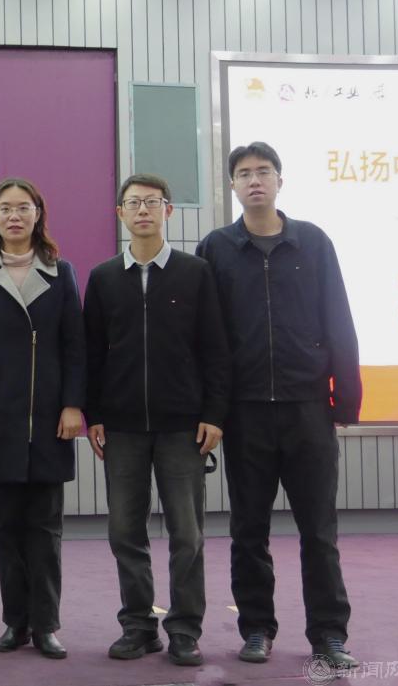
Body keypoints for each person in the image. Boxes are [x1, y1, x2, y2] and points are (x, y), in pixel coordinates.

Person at [196, 141, 361, 669]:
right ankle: (256, 629)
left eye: (263, 171)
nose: (255, 180)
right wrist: (211, 409)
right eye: (244, 173)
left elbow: (338, 317)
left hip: (307, 407)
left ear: (280, 180)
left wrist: (346, 400)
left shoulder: (312, 241)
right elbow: (206, 336)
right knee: (248, 530)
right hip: (245, 413)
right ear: (233, 185)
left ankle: (329, 634)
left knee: (319, 530)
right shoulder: (216, 248)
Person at [83, 174, 230, 667]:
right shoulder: (104, 278)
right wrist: (95, 414)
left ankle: (185, 629)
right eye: (133, 202)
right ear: (120, 213)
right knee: (125, 531)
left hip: (183, 427)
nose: (142, 210)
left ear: (168, 210)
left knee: (187, 534)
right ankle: (138, 626)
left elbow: (215, 349)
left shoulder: (195, 273)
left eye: (152, 202)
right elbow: (92, 354)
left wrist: (213, 414)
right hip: (121, 427)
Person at [0, 177, 85, 660]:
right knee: (7, 528)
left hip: (50, 421)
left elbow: (75, 344)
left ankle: (46, 625)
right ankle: (15, 622)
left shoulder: (61, 272)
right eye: (5, 208)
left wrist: (73, 403)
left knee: (46, 532)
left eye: (23, 207)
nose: (14, 216)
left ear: (37, 214)